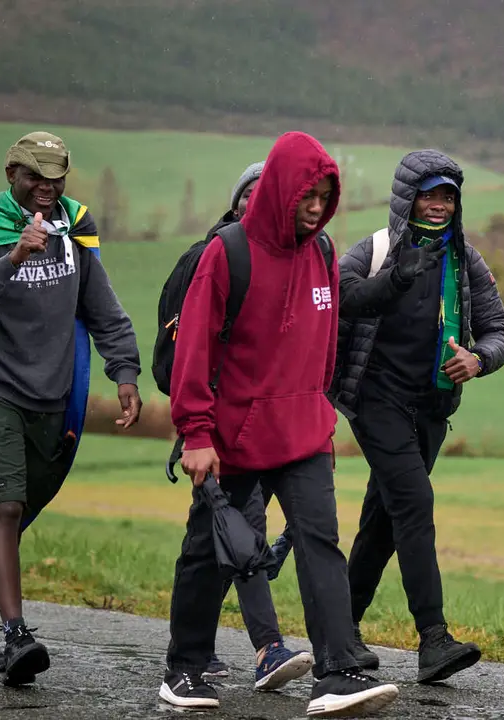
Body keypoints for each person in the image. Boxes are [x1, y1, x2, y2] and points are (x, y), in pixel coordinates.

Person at [160, 131, 399, 717]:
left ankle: (337, 673)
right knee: (207, 551)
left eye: (325, 196)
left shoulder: (321, 254)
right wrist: (195, 433)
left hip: (303, 434)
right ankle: (184, 670)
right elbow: (192, 348)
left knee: (321, 544)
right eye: (306, 196)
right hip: (234, 438)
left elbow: (323, 351)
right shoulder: (227, 253)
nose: (315, 208)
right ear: (278, 191)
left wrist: (322, 417)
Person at [0, 131, 142, 686]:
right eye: (36, 178)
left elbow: (103, 308)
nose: (47, 188)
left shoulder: (74, 227)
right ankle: (17, 636)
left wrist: (124, 371)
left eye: (57, 179)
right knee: (2, 508)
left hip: (51, 395)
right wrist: (14, 256)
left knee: (16, 510)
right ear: (12, 176)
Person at [330, 150, 504, 683]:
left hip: (433, 407)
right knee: (414, 502)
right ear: (406, 197)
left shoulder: (466, 261)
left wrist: (479, 360)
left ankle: (339, 633)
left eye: (448, 196)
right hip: (375, 399)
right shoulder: (376, 251)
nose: (438, 205)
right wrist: (393, 281)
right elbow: (337, 301)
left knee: (383, 521)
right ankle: (433, 639)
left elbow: (500, 328)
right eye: (429, 194)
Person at [196, 159, 299, 680]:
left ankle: (193, 648)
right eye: (249, 194)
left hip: (278, 427)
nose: (258, 203)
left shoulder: (294, 259)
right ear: (236, 201)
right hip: (220, 428)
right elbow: (178, 351)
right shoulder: (213, 256)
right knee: (244, 532)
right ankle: (268, 651)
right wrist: (196, 423)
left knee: (220, 538)